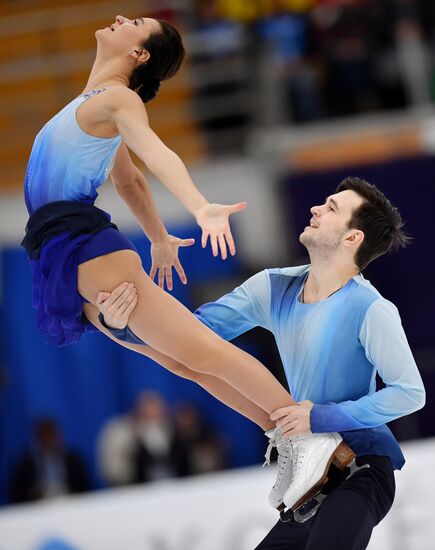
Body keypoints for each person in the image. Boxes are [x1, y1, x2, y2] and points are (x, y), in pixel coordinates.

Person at [21, 15, 345, 509]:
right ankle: (289, 441)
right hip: (62, 249)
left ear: (140, 55)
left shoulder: (118, 99)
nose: (119, 19)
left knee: (205, 351)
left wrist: (198, 207)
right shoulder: (92, 104)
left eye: (135, 23)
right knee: (184, 363)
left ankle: (310, 438)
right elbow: (128, 180)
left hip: (81, 243)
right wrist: (158, 239)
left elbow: (156, 152)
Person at [98, 177, 425, 549]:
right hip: (311, 474)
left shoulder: (371, 309)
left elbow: (409, 394)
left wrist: (320, 416)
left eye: (332, 208)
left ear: (353, 238)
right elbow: (192, 336)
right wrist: (121, 326)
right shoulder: (273, 287)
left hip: (362, 468)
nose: (316, 208)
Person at [10, 417, 89, 503]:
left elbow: (84, 488)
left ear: (58, 436)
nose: (48, 439)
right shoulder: (27, 464)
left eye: (51, 435)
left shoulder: (72, 460)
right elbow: (16, 494)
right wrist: (33, 494)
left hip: (69, 503)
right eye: (44, 436)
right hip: (38, 507)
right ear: (38, 439)